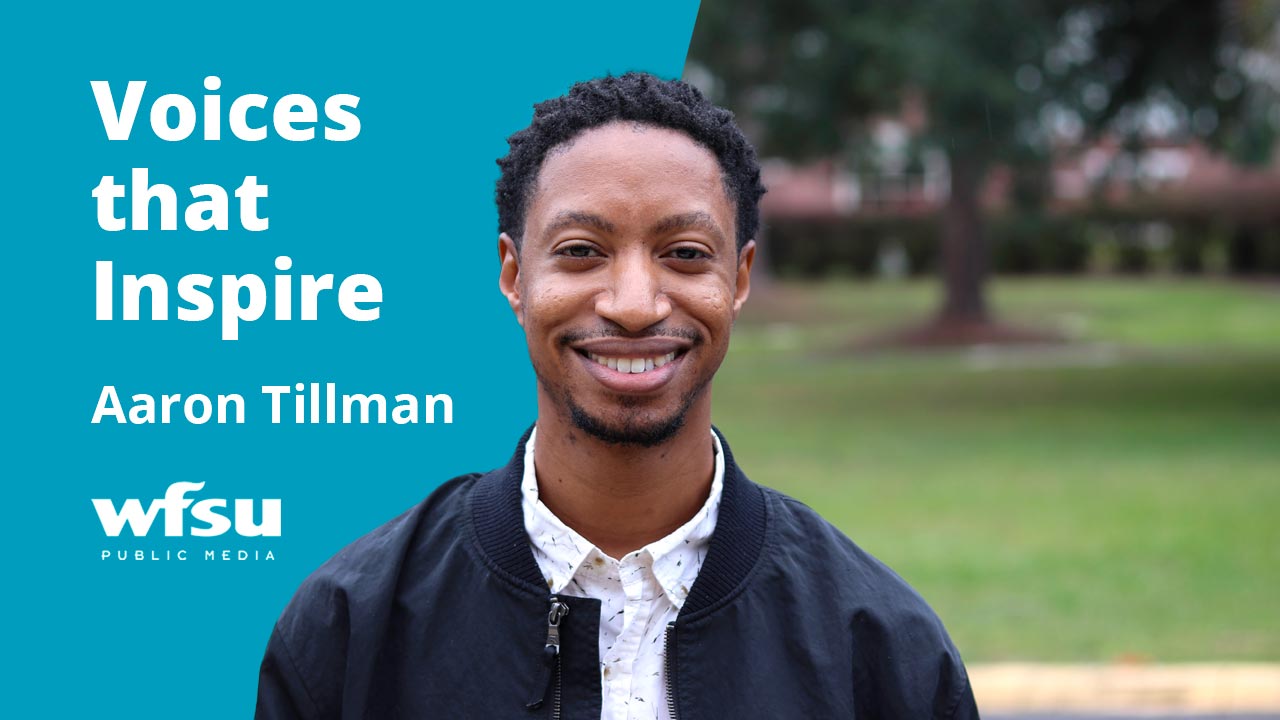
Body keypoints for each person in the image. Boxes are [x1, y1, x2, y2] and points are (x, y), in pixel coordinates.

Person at [255, 72, 979, 720]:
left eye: (685, 255)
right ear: (513, 275)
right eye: (580, 251)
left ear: (739, 278)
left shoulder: (879, 650)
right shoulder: (352, 628)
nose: (634, 304)